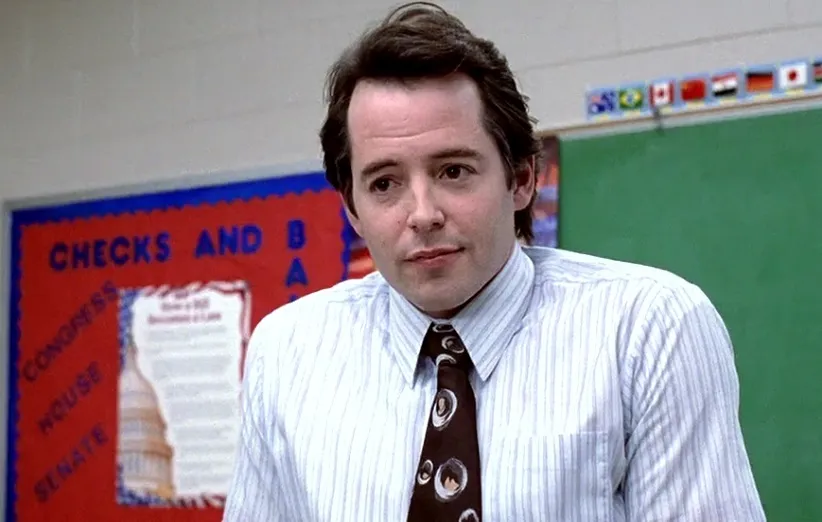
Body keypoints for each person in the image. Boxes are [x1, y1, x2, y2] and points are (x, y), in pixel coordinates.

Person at [222, 3, 767, 521]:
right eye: (384, 183)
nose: (423, 214)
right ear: (352, 209)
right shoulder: (287, 354)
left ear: (523, 179)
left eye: (453, 171)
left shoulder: (649, 331)